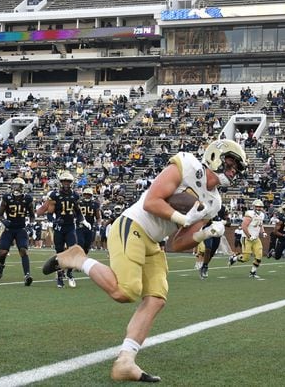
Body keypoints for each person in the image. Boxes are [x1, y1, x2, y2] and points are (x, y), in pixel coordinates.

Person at [41, 138, 246, 382]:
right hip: (133, 224)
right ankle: (77, 258)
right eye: (231, 163)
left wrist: (204, 233)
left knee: (156, 298)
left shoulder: (215, 202)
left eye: (237, 169)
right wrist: (181, 219)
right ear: (215, 155)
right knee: (125, 292)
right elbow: (151, 202)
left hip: (155, 241)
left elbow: (177, 243)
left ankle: (125, 361)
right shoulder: (187, 164)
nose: (233, 171)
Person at [35, 171, 87, 288]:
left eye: (68, 182)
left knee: (73, 250)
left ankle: (69, 273)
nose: (66, 184)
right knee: (59, 253)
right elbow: (49, 213)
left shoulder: (75, 195)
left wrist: (83, 220)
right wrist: (54, 221)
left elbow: (78, 212)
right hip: (59, 228)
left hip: (70, 226)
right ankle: (59, 276)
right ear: (60, 182)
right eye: (64, 181)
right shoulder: (55, 195)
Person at [0, 177, 35, 286]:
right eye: (14, 185)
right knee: (2, 252)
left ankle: (27, 275)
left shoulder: (28, 199)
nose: (15, 188)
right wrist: (4, 221)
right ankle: (1, 265)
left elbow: (32, 215)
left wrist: (31, 225)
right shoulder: (6, 198)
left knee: (23, 250)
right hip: (9, 229)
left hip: (21, 229)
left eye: (18, 186)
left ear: (22, 187)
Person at [229, 199, 266, 278]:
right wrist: (249, 236)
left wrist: (263, 232)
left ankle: (253, 272)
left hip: (256, 238)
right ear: (254, 207)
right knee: (245, 258)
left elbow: (260, 225)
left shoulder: (262, 215)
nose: (259, 208)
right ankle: (234, 258)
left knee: (259, 256)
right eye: (257, 207)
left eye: (260, 207)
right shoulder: (250, 214)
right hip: (247, 238)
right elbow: (244, 226)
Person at [77, 187, 102, 256]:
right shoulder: (79, 203)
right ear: (83, 194)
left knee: (87, 244)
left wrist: (97, 224)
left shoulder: (95, 204)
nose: (87, 196)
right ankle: (79, 257)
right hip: (80, 225)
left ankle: (84, 256)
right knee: (80, 242)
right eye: (85, 194)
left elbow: (98, 217)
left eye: (89, 194)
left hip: (90, 226)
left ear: (91, 195)